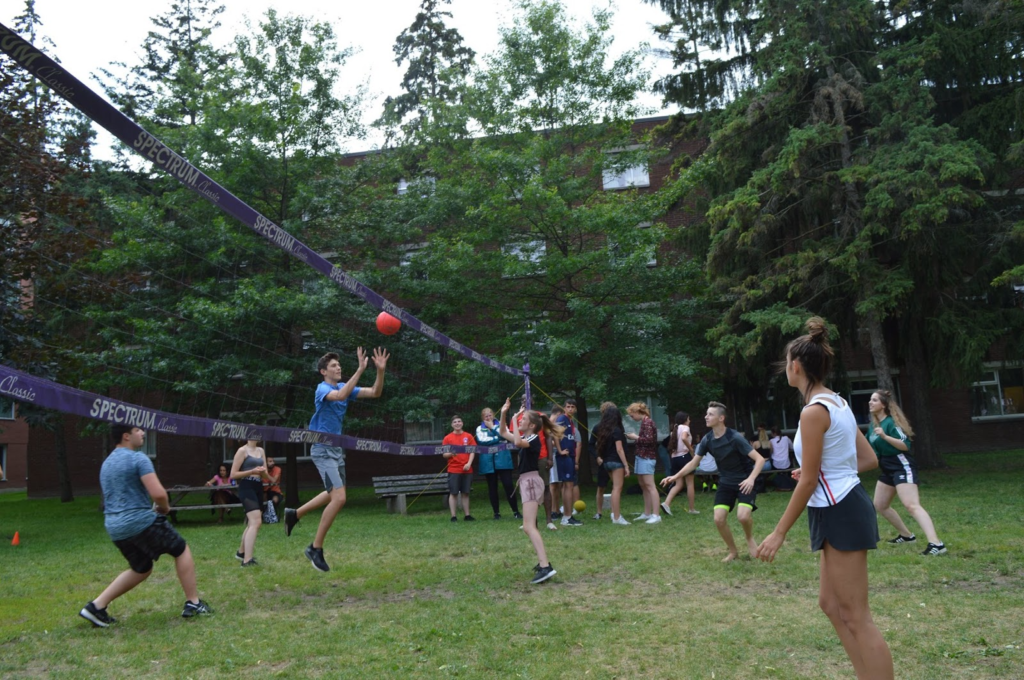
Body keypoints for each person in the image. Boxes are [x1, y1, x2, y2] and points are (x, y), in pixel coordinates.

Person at [756, 317, 893, 680]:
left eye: (787, 363)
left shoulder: (813, 412)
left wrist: (779, 532)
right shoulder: (838, 403)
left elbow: (816, 477)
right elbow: (866, 460)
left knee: (856, 615)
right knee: (831, 605)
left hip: (841, 510)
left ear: (796, 366)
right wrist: (821, 472)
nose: (786, 368)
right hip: (835, 506)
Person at [79, 424, 212, 627]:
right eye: (138, 430)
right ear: (126, 436)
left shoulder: (106, 464)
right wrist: (165, 508)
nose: (143, 433)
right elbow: (158, 494)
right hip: (138, 521)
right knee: (181, 549)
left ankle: (96, 607)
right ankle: (193, 603)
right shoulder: (138, 458)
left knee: (141, 568)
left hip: (115, 527)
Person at [284, 347, 389, 573]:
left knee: (333, 494)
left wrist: (380, 371)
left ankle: (295, 513)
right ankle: (315, 548)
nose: (338, 367)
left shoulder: (344, 386)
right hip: (322, 449)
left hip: (336, 450)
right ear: (323, 371)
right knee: (339, 498)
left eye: (339, 365)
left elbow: (375, 393)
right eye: (333, 365)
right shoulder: (322, 389)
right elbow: (339, 396)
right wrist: (361, 369)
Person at [661, 402, 765, 561]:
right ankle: (733, 552)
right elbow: (693, 463)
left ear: (721, 418)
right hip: (725, 482)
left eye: (710, 414)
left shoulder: (735, 437)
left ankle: (749, 538)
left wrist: (751, 479)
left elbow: (760, 460)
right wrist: (675, 477)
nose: (706, 416)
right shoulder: (707, 440)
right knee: (718, 519)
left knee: (743, 517)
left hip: (744, 481)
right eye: (706, 414)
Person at [868, 390, 946, 555]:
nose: (870, 402)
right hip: (886, 466)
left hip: (901, 464)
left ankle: (937, 544)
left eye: (874, 400)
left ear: (883, 405)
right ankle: (907, 536)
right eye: (870, 400)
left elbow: (905, 445)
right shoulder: (873, 426)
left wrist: (885, 437)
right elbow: (873, 451)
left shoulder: (891, 424)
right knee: (880, 505)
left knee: (911, 505)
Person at [498, 398, 560, 584]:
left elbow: (516, 441)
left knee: (529, 526)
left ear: (531, 425)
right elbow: (502, 432)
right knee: (529, 526)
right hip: (527, 482)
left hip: (531, 482)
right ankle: (543, 564)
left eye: (523, 419)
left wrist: (515, 417)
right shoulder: (527, 437)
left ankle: (545, 566)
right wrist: (503, 413)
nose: (520, 421)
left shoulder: (532, 438)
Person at [230, 437, 269, 567]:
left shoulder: (261, 450)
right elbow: (233, 474)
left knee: (252, 522)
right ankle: (247, 560)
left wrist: (265, 475)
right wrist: (252, 471)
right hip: (246, 486)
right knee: (256, 522)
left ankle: (241, 553)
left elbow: (265, 475)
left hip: (258, 486)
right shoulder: (242, 451)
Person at [476, 408, 521, 519]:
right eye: (486, 416)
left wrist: (493, 429)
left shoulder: (501, 425)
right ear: (483, 418)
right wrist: (498, 438)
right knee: (492, 487)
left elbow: (505, 436)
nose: (488, 417)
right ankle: (496, 513)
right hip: (488, 461)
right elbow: (482, 441)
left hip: (503, 459)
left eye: (490, 414)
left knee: (508, 485)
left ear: (493, 415)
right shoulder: (479, 428)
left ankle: (516, 511)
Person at [625, 402, 662, 524]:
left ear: (637, 412)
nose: (632, 418)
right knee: (643, 485)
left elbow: (650, 441)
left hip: (647, 457)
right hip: (641, 457)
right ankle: (647, 513)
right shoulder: (644, 422)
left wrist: (635, 437)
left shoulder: (648, 422)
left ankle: (656, 515)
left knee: (650, 486)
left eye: (632, 415)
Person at [594, 404, 631, 524]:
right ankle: (616, 517)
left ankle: (614, 514)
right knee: (617, 489)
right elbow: (619, 449)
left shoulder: (604, 430)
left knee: (614, 488)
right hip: (616, 462)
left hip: (606, 462)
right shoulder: (617, 430)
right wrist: (626, 465)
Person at [551, 404, 582, 526]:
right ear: (564, 408)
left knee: (567, 485)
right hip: (564, 456)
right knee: (568, 485)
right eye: (568, 406)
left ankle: (567, 515)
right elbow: (555, 434)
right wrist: (559, 450)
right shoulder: (562, 419)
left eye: (573, 407)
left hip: (571, 456)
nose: (570, 409)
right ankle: (567, 517)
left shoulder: (570, 421)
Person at [661, 411, 698, 515]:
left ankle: (666, 503)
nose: (689, 421)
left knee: (678, 484)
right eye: (688, 419)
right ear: (685, 420)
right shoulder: (685, 428)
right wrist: (691, 450)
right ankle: (691, 509)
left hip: (675, 459)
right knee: (690, 483)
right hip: (684, 457)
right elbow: (684, 438)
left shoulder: (674, 430)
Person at [442, 415, 477, 522]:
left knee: (465, 492)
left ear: (462, 423)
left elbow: (472, 451)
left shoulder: (469, 436)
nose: (457, 423)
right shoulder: (448, 438)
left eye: (459, 421)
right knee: (453, 493)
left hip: (467, 468)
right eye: (455, 422)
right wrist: (451, 453)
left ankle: (467, 515)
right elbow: (444, 454)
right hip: (454, 469)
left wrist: (469, 463)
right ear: (452, 425)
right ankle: (453, 516)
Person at [589, 401, 614, 520]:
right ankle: (599, 512)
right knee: (601, 487)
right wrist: (597, 457)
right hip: (602, 461)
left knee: (616, 487)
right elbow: (590, 445)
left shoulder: (617, 427)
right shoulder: (597, 427)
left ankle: (615, 511)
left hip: (614, 460)